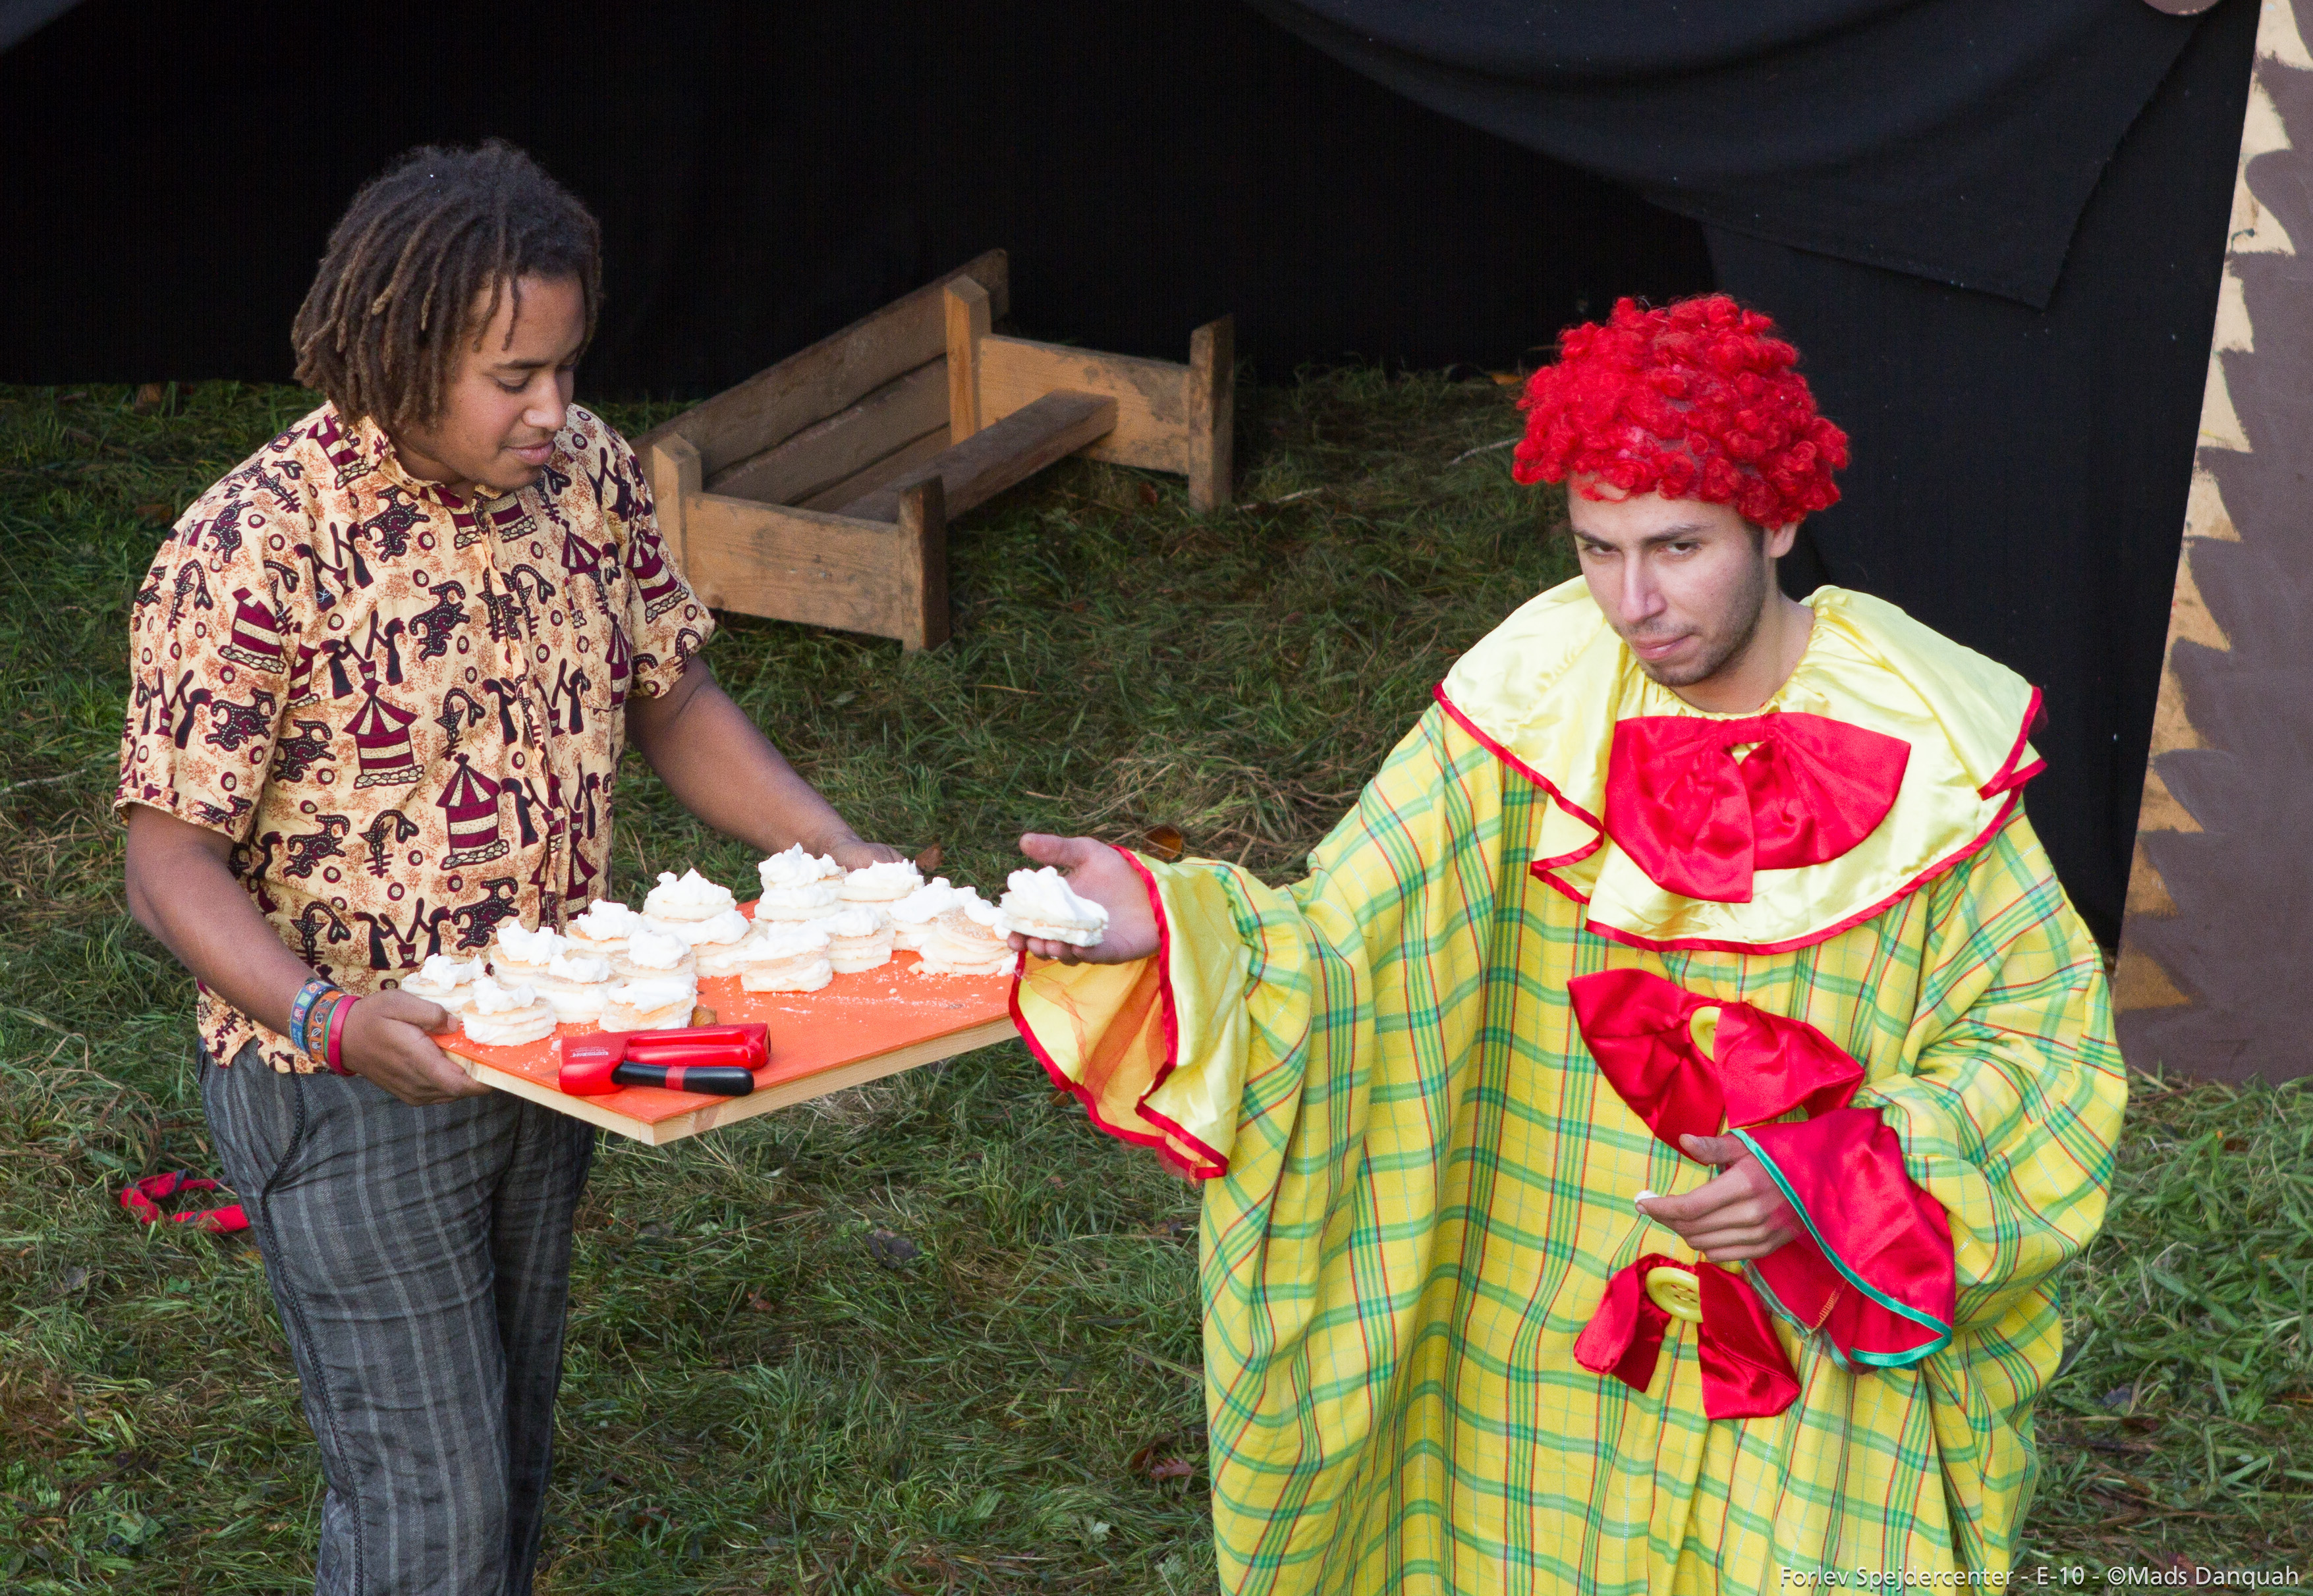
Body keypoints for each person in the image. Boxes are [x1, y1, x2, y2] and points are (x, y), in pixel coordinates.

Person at [1007, 296, 2121, 1592]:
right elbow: (1344, 941)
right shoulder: (1534, 698)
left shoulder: (1925, 744)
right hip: (1531, 1319)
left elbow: (2038, 1050)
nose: (1633, 602)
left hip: (1811, 1378)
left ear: (1777, 522)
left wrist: (1831, 1178)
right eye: (1598, 548)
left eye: (1678, 547)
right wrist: (1174, 922)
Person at [115, 140, 900, 1595]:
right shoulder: (255, 544)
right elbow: (167, 860)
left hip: (543, 1045)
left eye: (567, 364)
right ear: (402, 355)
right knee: (431, 1509)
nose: (554, 407)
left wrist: (835, 848)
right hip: (345, 1082)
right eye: (513, 376)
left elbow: (671, 694)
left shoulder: (587, 472)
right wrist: (327, 1019)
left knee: (505, 1458)